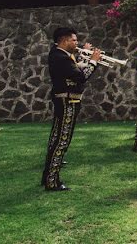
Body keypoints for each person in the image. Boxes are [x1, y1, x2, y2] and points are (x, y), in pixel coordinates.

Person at [41, 27, 102, 191]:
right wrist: (94, 61)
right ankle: (52, 181)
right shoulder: (61, 57)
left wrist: (85, 56)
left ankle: (48, 177)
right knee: (62, 142)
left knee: (56, 139)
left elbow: (74, 67)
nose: (77, 43)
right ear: (64, 40)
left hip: (65, 100)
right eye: (73, 40)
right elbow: (81, 76)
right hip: (67, 101)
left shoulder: (59, 54)